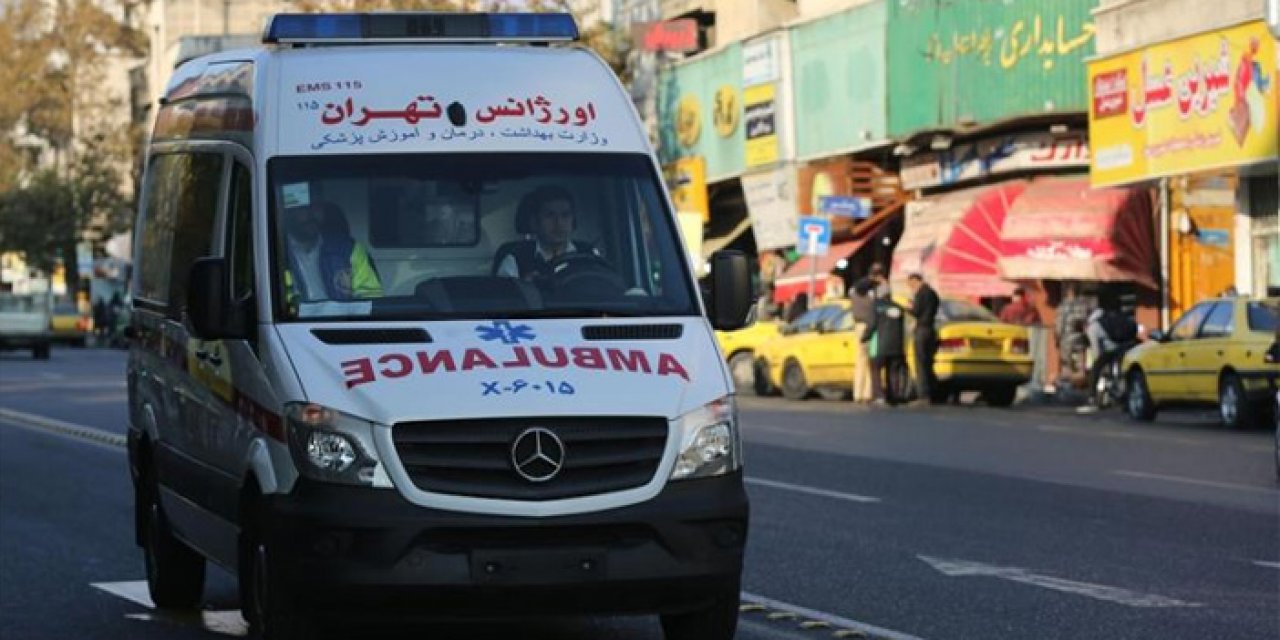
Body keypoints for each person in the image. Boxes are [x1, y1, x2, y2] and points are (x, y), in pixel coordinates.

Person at [283, 201, 383, 306]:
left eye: (316, 208)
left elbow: (371, 296)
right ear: (290, 212)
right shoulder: (275, 253)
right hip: (296, 321)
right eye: (304, 209)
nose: (311, 215)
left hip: (341, 321)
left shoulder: (348, 249)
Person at [494, 185, 601, 282]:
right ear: (534, 222)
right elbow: (505, 300)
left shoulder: (589, 254)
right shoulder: (515, 260)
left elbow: (605, 289)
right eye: (549, 215)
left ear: (573, 221)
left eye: (565, 215)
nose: (558, 223)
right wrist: (525, 286)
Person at [1078, 296, 1139, 413]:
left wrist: (1101, 367)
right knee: (1124, 374)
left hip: (1113, 350)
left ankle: (1092, 398)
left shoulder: (1092, 327)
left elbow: (1096, 352)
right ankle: (1126, 401)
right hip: (1128, 346)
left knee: (1096, 369)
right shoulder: (1108, 317)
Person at [864, 290, 907, 405]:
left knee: (875, 370)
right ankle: (894, 395)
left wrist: (864, 337)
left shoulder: (875, 307)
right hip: (897, 346)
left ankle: (879, 396)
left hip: (879, 345)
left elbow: (872, 324)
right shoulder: (898, 307)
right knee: (893, 371)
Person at [905, 273, 940, 406]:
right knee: (928, 363)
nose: (910, 287)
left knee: (921, 364)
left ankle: (923, 395)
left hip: (922, 329)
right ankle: (934, 393)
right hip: (931, 329)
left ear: (916, 281)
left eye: (911, 284)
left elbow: (917, 311)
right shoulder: (933, 294)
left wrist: (909, 307)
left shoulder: (921, 294)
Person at [1055, 283, 1090, 390]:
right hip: (1079, 336)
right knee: (1080, 362)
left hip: (1067, 336)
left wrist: (1057, 336)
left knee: (1067, 362)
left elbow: (1059, 322)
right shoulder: (1083, 303)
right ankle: (1081, 382)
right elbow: (1085, 318)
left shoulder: (1063, 305)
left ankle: (1071, 384)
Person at [849, 279, 876, 404]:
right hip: (869, 328)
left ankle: (857, 393)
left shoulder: (854, 297)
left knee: (860, 361)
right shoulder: (870, 300)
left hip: (858, 327)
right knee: (869, 362)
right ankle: (868, 393)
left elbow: (853, 290)